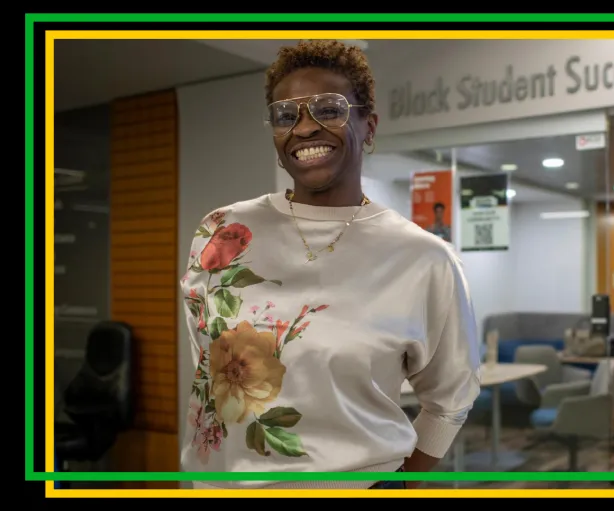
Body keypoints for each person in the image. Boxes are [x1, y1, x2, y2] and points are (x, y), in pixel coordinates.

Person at [180, 40, 481, 490]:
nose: (305, 128)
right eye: (286, 115)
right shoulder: (221, 231)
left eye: (329, 110)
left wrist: (399, 485)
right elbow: (206, 373)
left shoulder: (423, 258)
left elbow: (451, 398)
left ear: (369, 126)